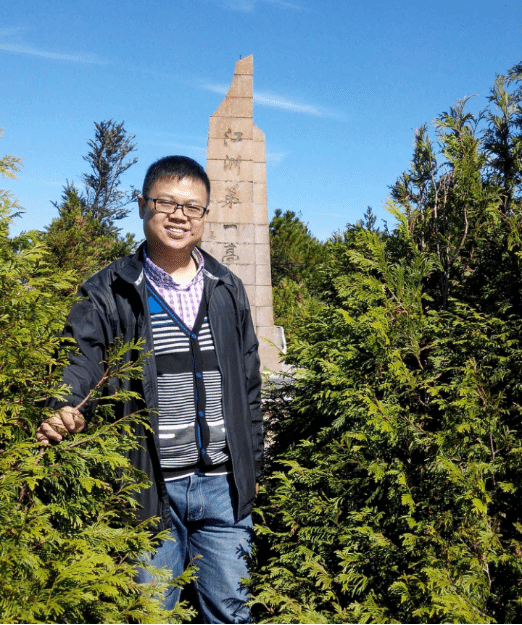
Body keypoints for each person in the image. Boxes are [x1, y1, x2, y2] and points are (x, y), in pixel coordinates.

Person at [36, 155, 263, 624]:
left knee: (231, 613)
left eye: (192, 207)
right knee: (150, 614)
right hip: (148, 488)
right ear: (143, 205)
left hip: (224, 486)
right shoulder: (109, 289)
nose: (180, 215)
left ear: (205, 214)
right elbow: (81, 358)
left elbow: (248, 384)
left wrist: (252, 466)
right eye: (166, 203)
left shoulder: (227, 287)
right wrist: (66, 403)